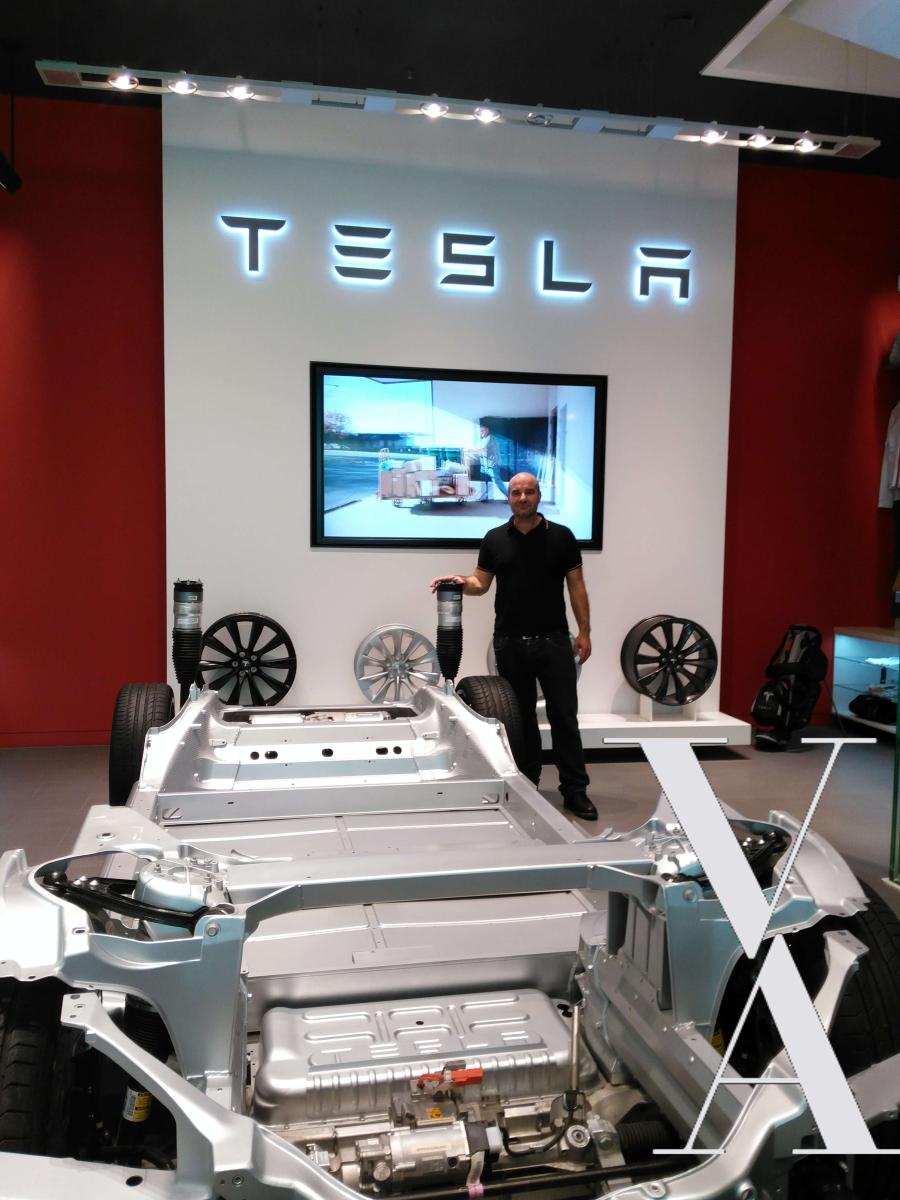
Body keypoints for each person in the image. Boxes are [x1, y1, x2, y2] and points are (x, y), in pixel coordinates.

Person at [430, 472, 596, 820]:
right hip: (509, 644)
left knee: (564, 717)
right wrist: (460, 582)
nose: (523, 498)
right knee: (520, 721)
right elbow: (480, 584)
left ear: (538, 496)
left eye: (529, 492)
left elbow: (577, 586)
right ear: (508, 498)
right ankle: (527, 785)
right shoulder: (494, 539)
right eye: (516, 492)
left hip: (554, 642)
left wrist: (584, 632)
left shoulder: (562, 537)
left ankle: (575, 790)